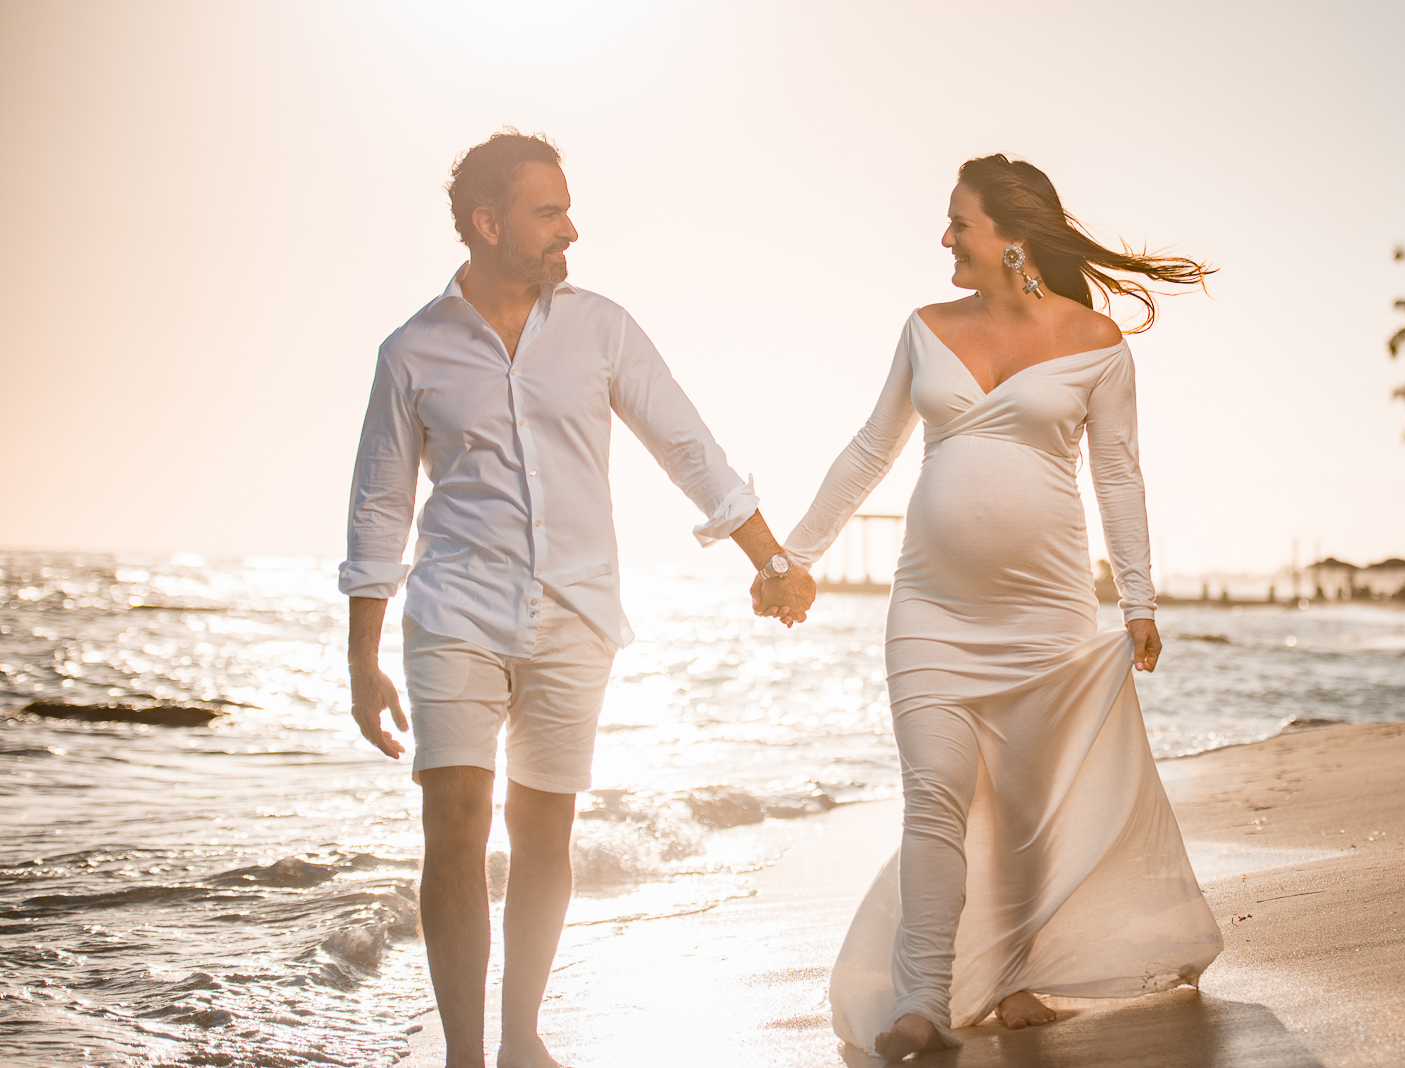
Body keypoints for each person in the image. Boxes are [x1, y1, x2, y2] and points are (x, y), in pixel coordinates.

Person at [339, 130, 816, 1068]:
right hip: (456, 611)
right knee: (457, 823)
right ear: (488, 223)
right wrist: (363, 656)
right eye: (548, 211)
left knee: (545, 825)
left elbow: (686, 444)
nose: (571, 229)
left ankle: (521, 1037)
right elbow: (380, 503)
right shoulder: (412, 352)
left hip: (577, 614)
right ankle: (465, 1056)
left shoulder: (601, 328)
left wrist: (767, 558)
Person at [782, 154, 1224, 1060]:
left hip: (1048, 611)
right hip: (931, 611)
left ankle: (1018, 978)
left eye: (959, 223)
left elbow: (1117, 476)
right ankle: (923, 1002)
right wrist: (795, 557)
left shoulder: (1098, 344)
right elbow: (870, 452)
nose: (944, 237)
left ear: (1012, 240)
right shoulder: (924, 328)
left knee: (1023, 812)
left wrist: (1137, 599)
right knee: (934, 798)